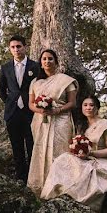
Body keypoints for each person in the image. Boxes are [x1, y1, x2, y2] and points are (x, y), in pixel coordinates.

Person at [41, 96, 107, 210]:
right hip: (86, 157)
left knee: (87, 172)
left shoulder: (104, 124)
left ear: (97, 108)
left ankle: (77, 200)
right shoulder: (83, 126)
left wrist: (91, 154)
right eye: (85, 105)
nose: (88, 108)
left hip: (103, 160)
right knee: (63, 159)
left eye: (91, 105)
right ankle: (56, 192)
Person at [26, 49, 77, 196]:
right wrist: (41, 110)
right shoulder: (35, 83)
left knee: (60, 152)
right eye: (44, 59)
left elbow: (72, 103)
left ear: (56, 61)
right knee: (41, 151)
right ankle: (40, 187)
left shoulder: (66, 80)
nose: (47, 62)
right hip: (41, 121)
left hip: (61, 120)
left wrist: (57, 110)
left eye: (50, 59)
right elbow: (30, 104)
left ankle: (60, 188)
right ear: (40, 63)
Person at [0, 34, 40, 183]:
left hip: (31, 112)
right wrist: (10, 102)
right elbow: (1, 89)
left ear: (25, 47)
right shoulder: (6, 68)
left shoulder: (35, 66)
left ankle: (33, 176)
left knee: (32, 144)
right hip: (13, 112)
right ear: (10, 49)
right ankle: (20, 176)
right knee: (16, 145)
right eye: (13, 47)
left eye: (19, 46)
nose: (16, 49)